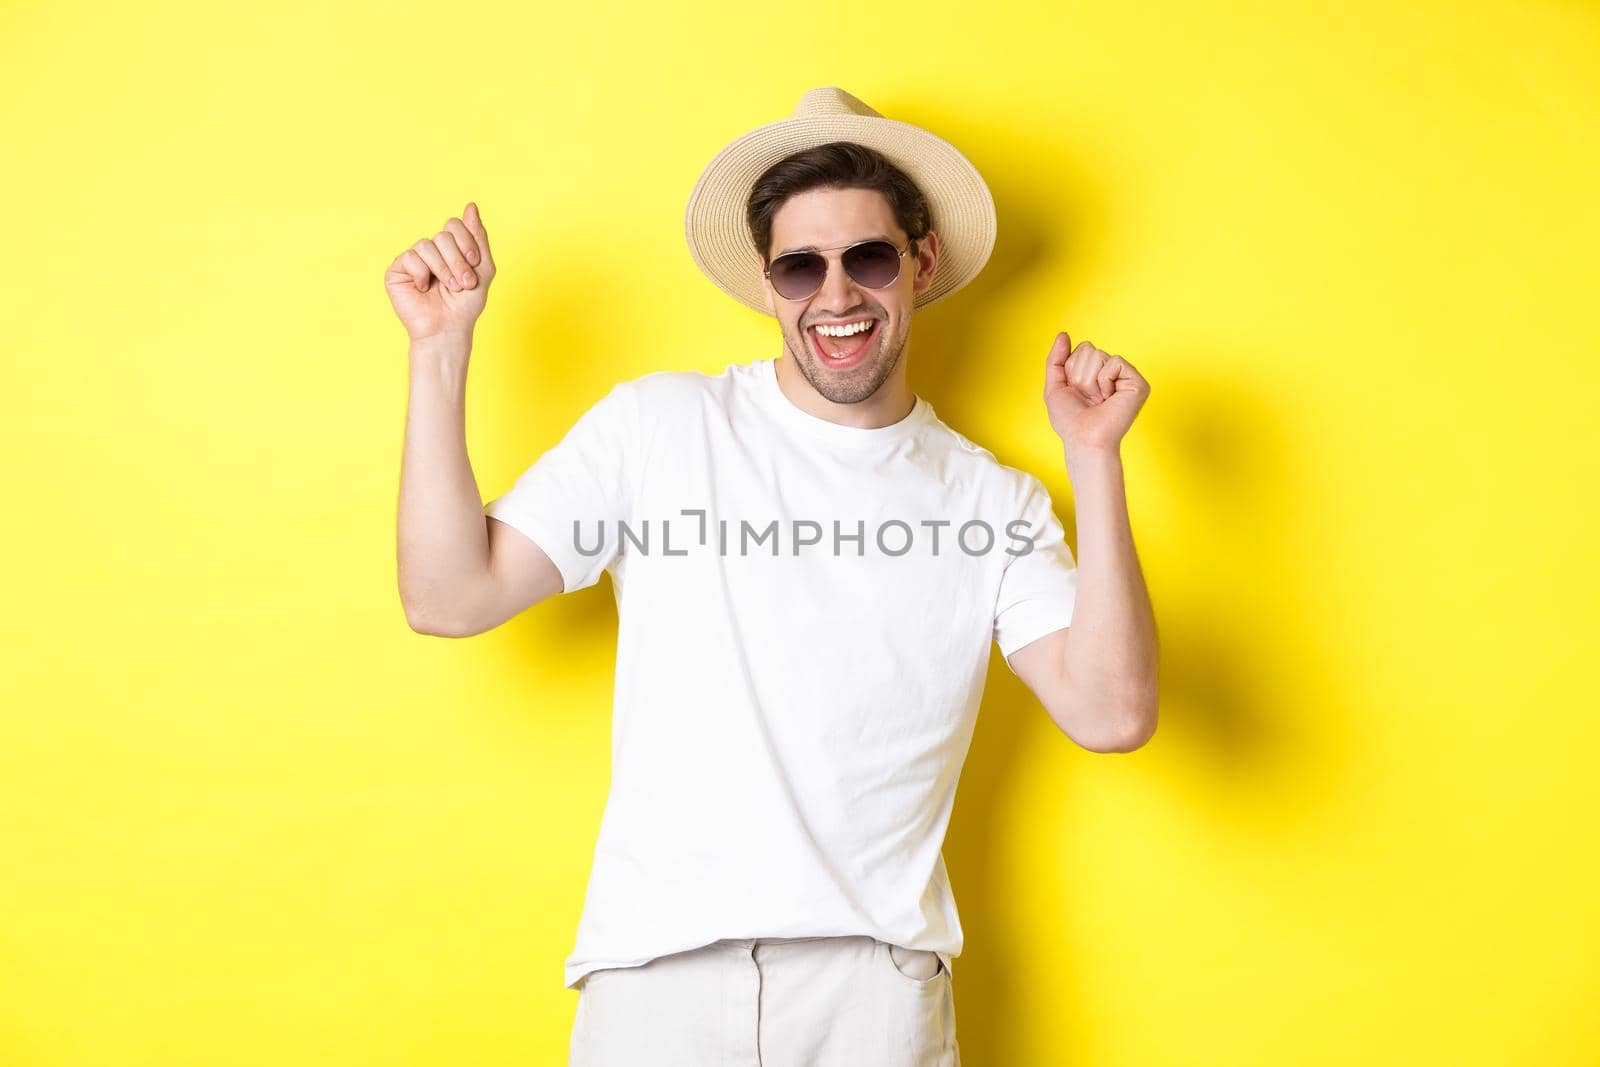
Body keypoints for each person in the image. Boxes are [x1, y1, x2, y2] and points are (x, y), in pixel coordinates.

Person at [387, 86, 1159, 1067]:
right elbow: (448, 595)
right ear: (767, 283)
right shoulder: (659, 428)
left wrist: (1094, 457)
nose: (835, 295)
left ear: (920, 262)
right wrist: (439, 346)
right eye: (801, 266)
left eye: (868, 258)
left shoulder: (990, 502)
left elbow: (1111, 712)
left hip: (873, 993)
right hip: (655, 980)